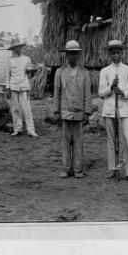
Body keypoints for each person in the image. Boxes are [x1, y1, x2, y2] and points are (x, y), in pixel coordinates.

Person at [98, 40, 128, 182]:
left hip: (124, 110)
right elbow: (101, 93)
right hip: (109, 110)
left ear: (122, 53)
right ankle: (113, 168)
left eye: (118, 53)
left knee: (127, 140)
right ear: (110, 54)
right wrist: (110, 88)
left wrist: (123, 92)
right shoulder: (105, 71)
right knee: (111, 140)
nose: (116, 55)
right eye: (113, 53)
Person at [53, 40, 92, 178]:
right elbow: (57, 92)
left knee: (78, 142)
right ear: (66, 55)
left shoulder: (84, 73)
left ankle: (77, 169)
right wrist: (57, 111)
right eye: (70, 54)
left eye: (75, 54)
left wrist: (87, 112)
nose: (72, 57)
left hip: (79, 112)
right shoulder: (60, 72)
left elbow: (87, 93)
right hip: (65, 112)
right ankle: (66, 168)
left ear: (78, 55)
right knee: (66, 142)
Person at [4, 38, 38, 137]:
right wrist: (7, 87)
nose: (18, 49)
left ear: (21, 47)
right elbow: (7, 75)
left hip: (24, 86)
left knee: (26, 109)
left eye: (19, 47)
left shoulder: (27, 59)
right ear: (13, 49)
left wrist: (31, 72)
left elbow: (30, 75)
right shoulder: (9, 60)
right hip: (14, 86)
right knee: (15, 109)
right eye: (16, 47)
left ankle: (31, 130)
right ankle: (17, 129)